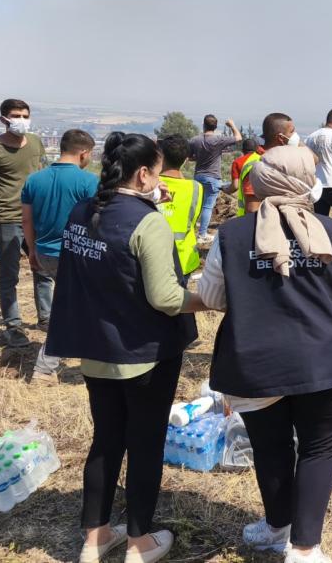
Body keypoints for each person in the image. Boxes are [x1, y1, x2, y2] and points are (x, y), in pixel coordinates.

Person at [45, 132, 206, 563]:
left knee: (106, 440)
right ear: (142, 174)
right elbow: (166, 298)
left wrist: (147, 200)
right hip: (142, 353)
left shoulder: (83, 211)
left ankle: (95, 537)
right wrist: (211, 299)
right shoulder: (147, 221)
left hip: (94, 348)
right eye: (155, 172)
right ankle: (139, 541)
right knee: (146, 443)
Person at [199, 147, 332, 562]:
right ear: (310, 184)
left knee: (270, 449)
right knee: (319, 449)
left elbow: (213, 296)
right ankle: (304, 549)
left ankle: (277, 528)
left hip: (256, 360)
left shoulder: (232, 235)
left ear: (262, 182)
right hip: (324, 360)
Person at [22, 129, 99, 385]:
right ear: (84, 153)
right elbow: (97, 222)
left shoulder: (34, 179)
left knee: (78, 307)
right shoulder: (87, 182)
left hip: (44, 253)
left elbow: (27, 220)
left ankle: (92, 355)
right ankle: (44, 368)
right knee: (70, 310)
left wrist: (32, 250)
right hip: (74, 255)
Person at [0, 98, 47, 347]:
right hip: (6, 219)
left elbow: (40, 175)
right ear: (3, 119)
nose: (22, 121)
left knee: (43, 268)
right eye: (16, 116)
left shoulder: (36, 142)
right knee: (9, 275)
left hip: (36, 218)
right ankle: (13, 326)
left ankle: (46, 319)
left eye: (25, 115)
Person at [188, 114, 242, 242]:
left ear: (203, 125)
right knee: (207, 206)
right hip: (212, 178)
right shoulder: (218, 140)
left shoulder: (195, 140)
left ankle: (193, 228)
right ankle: (202, 235)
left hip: (198, 176)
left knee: (198, 205)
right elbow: (238, 138)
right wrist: (232, 125)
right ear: (216, 126)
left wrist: (201, 157)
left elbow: (190, 158)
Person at [157, 135, 204, 280]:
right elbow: (193, 218)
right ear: (185, 160)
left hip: (152, 256)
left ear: (161, 157)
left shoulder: (150, 184)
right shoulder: (196, 188)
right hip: (183, 258)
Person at [227, 138, 264, 216]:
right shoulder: (262, 159)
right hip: (262, 202)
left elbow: (235, 186)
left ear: (243, 150)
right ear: (256, 149)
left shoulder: (237, 162)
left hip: (247, 205)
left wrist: (226, 190)